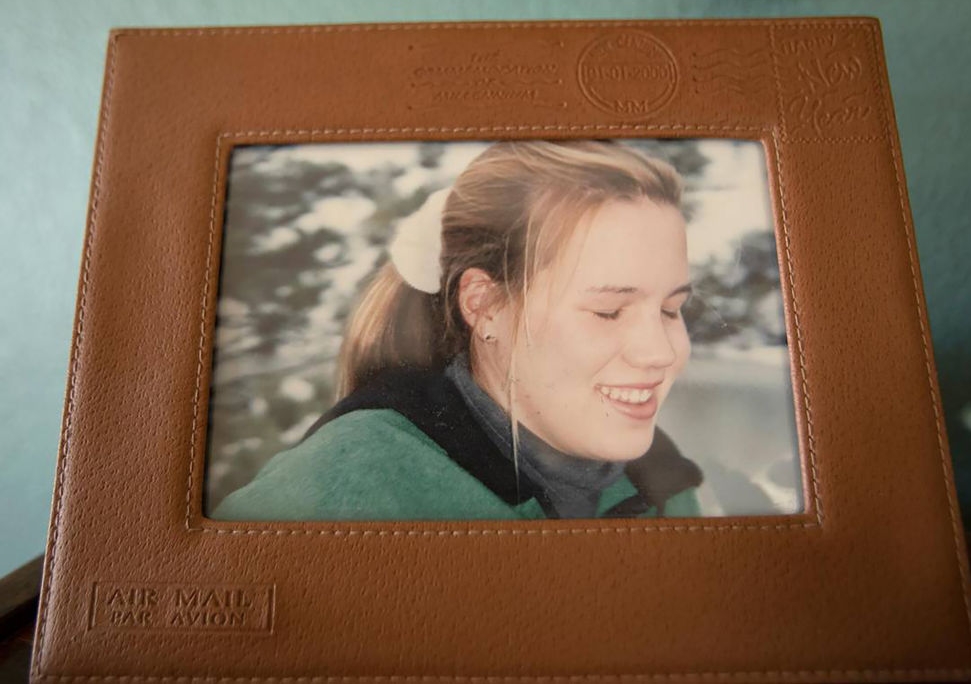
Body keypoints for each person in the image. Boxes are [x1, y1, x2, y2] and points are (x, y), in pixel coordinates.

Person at [212, 140, 702, 522]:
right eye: (609, 311)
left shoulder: (665, 483)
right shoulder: (341, 488)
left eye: (671, 309)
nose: (659, 353)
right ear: (485, 306)